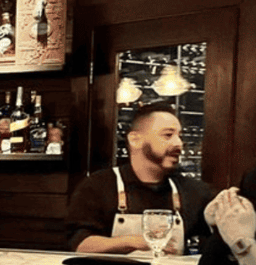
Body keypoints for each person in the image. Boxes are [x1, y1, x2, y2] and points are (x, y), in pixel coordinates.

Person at [65, 102, 212, 254]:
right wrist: (135, 242)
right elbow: (81, 245)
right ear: (135, 140)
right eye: (168, 135)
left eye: (179, 136)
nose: (179, 144)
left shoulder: (193, 191)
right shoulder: (98, 186)